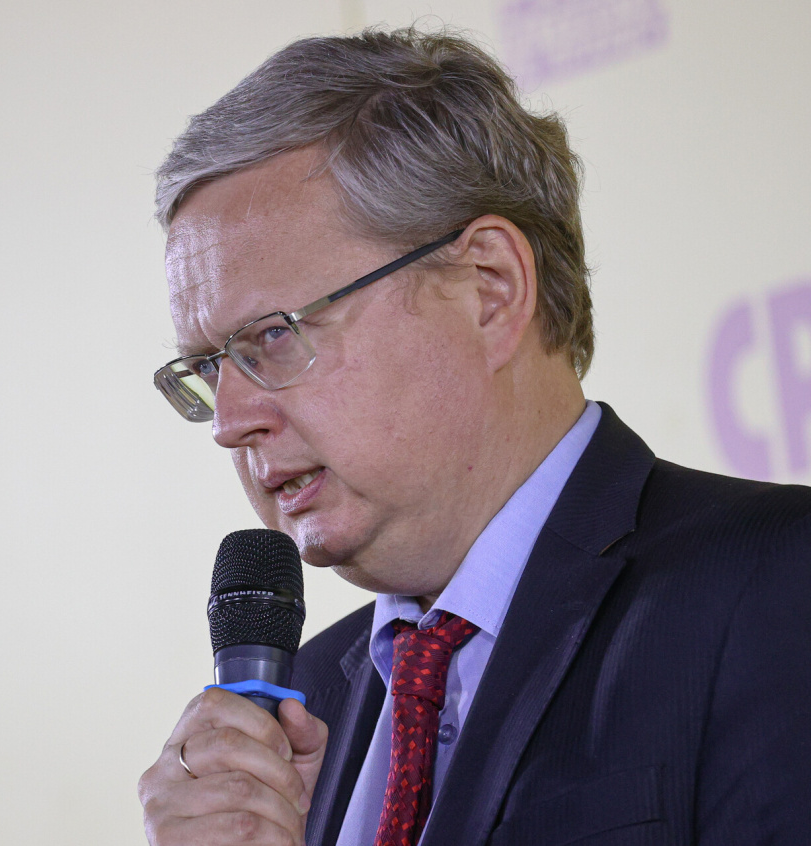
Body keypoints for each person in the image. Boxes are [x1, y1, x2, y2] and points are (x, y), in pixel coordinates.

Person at [137, 26, 811, 846]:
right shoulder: (303, 709)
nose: (230, 421)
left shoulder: (778, 585)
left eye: (272, 336)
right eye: (208, 368)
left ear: (489, 288)